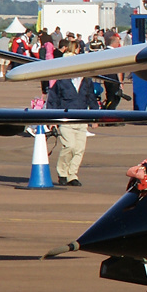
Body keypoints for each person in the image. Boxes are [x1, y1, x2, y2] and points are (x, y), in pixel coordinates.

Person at [45, 42, 95, 186]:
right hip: (65, 118)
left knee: (80, 149)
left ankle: (72, 175)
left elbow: (91, 98)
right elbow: (53, 99)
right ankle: (62, 172)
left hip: (82, 118)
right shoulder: (61, 82)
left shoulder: (86, 81)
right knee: (70, 146)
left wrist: (95, 117)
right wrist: (51, 119)